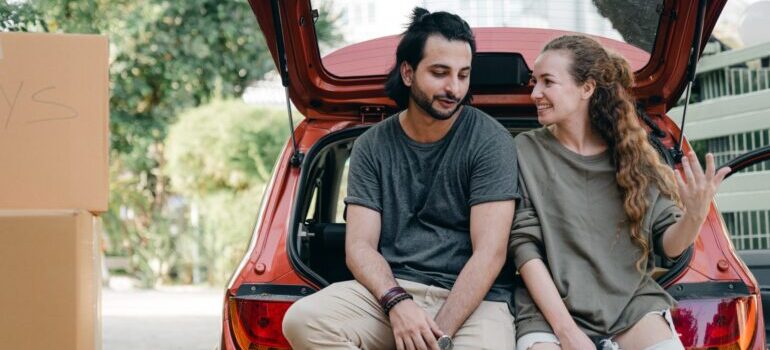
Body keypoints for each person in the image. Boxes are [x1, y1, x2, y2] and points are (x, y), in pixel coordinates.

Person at [281, 7, 521, 350]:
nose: (454, 88)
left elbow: (490, 253)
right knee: (304, 320)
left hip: (475, 301)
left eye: (463, 74)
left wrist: (437, 338)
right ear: (408, 73)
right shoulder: (370, 146)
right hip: (392, 291)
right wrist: (396, 301)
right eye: (440, 73)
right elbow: (360, 246)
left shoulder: (489, 140)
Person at [509, 35, 730, 350]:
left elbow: (669, 245)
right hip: (547, 311)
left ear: (587, 88)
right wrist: (568, 333)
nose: (535, 93)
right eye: (535, 81)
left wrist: (694, 216)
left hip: (628, 305)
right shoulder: (525, 150)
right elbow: (524, 249)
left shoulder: (633, 155)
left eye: (547, 82)